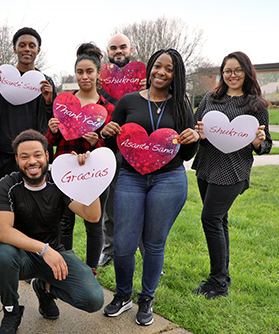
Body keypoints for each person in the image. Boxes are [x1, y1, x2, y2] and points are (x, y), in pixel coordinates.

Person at [101, 49, 199, 326]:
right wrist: (108, 133)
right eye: (158, 66)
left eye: (169, 69)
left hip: (168, 179)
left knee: (154, 244)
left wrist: (193, 138)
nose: (161, 72)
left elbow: (187, 153)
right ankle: (123, 296)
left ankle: (147, 299)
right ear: (150, 68)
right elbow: (113, 144)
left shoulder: (181, 104)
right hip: (130, 178)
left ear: (175, 75)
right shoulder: (128, 101)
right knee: (123, 244)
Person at [0, 129, 104, 334]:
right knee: (3, 256)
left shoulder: (59, 182)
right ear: (17, 160)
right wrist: (44, 249)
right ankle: (11, 311)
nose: (32, 161)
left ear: (47, 156)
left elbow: (92, 216)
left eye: (37, 155)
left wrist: (89, 181)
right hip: (21, 256)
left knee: (93, 299)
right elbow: (3, 232)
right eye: (24, 157)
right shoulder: (8, 185)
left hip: (55, 254)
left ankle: (44, 289)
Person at [192, 51, 271, 299]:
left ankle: (217, 282)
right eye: (227, 71)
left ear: (246, 72)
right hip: (206, 166)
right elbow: (197, 129)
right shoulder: (210, 98)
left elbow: (265, 145)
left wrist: (259, 142)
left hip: (232, 171)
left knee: (210, 219)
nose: (232, 75)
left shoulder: (256, 105)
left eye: (237, 70)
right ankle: (222, 276)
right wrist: (200, 135)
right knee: (220, 220)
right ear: (222, 73)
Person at [47, 43, 114, 275]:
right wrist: (53, 129)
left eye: (89, 72)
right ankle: (67, 267)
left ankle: (91, 270)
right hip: (65, 170)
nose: (84, 76)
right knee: (64, 221)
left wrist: (96, 143)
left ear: (98, 74)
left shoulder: (107, 108)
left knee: (94, 223)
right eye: (80, 72)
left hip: (94, 173)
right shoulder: (64, 103)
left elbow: (112, 148)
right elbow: (52, 142)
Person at [98, 33, 146, 267]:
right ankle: (109, 251)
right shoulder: (101, 81)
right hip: (111, 149)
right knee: (111, 204)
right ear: (108, 52)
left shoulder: (146, 78)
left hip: (142, 149)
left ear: (131, 49)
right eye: (114, 48)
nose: (119, 51)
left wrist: (149, 90)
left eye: (123, 47)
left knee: (144, 206)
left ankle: (149, 255)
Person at [0, 27, 55, 181]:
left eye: (32, 46)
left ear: (38, 50)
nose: (27, 49)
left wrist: (48, 101)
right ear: (14, 48)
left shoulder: (45, 82)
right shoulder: (1, 78)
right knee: (7, 194)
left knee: (34, 196)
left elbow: (52, 119)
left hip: (34, 150)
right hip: (6, 150)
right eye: (22, 45)